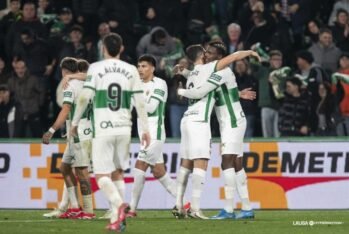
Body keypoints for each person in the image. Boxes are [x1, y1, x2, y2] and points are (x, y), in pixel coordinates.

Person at [70, 33, 150, 232]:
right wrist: (146, 129)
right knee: (118, 173)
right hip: (124, 128)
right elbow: (140, 102)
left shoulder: (96, 68)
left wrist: (74, 122)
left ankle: (119, 204)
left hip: (104, 128)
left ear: (103, 48)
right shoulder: (131, 70)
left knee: (101, 175)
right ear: (121, 48)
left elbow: (84, 97)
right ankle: (118, 220)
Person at [173, 43, 260, 219]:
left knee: (227, 162)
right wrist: (184, 72)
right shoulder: (215, 72)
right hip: (231, 121)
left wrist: (181, 90)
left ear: (219, 57)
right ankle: (247, 207)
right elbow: (200, 77)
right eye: (206, 52)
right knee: (236, 164)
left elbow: (202, 90)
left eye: (211, 53)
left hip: (232, 122)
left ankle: (228, 210)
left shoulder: (221, 72)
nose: (207, 55)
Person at [42, 57, 94, 219]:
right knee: (64, 168)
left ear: (64, 71)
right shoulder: (89, 83)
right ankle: (75, 207)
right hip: (80, 133)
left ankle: (88, 211)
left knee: (82, 172)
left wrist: (51, 130)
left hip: (80, 134)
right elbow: (91, 76)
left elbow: (65, 110)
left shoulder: (70, 85)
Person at [128, 54, 178, 217]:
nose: (140, 69)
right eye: (139, 66)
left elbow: (150, 108)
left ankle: (132, 209)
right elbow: (128, 108)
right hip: (143, 135)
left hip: (155, 133)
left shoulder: (160, 83)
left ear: (153, 68)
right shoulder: (135, 85)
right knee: (158, 172)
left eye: (144, 66)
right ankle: (184, 202)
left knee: (139, 166)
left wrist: (134, 95)